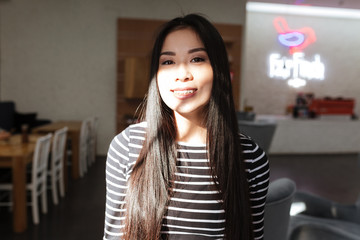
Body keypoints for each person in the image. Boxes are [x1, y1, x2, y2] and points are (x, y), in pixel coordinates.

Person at [103, 14, 269, 240]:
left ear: (218, 70)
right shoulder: (127, 146)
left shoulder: (250, 157)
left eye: (197, 59)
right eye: (168, 62)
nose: (182, 75)